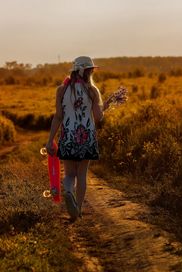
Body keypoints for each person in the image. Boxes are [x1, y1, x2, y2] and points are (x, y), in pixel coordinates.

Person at [46, 56, 110, 221]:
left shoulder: (62, 90)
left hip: (68, 136)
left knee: (69, 174)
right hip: (86, 137)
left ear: (74, 70)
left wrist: (50, 140)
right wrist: (106, 106)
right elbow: (98, 117)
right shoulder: (92, 90)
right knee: (81, 174)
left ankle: (68, 191)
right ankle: (78, 209)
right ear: (87, 71)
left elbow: (58, 117)